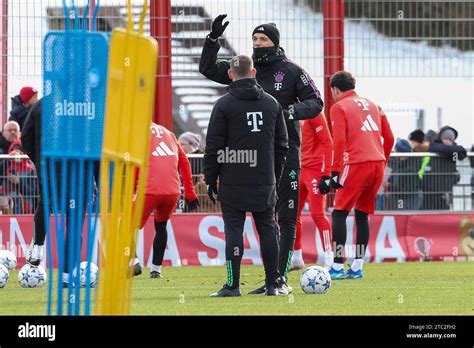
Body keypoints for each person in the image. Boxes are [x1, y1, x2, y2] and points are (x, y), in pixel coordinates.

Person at [200, 15, 323, 294]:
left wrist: (288, 112)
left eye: (263, 39)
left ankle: (278, 280)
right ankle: (269, 280)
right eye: (255, 39)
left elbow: (317, 101)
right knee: (265, 220)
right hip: (251, 161)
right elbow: (207, 67)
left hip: (285, 153)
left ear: (275, 43)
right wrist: (212, 40)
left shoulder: (291, 71)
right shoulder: (247, 69)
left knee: (287, 216)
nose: (258, 43)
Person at [204, 55, 288, 297]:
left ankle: (233, 285)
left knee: (233, 231)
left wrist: (211, 179)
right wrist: (274, 174)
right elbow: (282, 145)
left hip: (233, 178)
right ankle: (273, 284)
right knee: (269, 230)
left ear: (230, 74)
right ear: (253, 73)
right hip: (264, 179)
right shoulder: (272, 103)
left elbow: (214, 146)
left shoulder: (223, 105)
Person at [327, 71, 394, 280]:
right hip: (377, 163)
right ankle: (357, 267)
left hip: (355, 163)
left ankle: (337, 266)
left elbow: (338, 141)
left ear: (336, 90)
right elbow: (390, 138)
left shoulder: (338, 107)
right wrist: (384, 161)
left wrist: (335, 171)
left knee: (339, 213)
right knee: (362, 214)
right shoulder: (374, 105)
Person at [132, 123, 200, 278]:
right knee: (161, 226)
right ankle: (156, 270)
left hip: (149, 189)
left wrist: (133, 190)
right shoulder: (168, 133)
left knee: (126, 227)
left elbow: (135, 163)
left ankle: (133, 262)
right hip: (172, 191)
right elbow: (184, 162)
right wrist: (190, 193)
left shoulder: (137, 132)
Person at [291, 112, 333, 271]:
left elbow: (328, 142)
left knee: (317, 214)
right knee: (292, 213)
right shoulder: (293, 112)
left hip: (315, 170)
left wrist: (326, 174)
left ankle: (330, 258)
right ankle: (297, 258)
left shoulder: (313, 112)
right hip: (300, 169)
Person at [410, 127, 467, 210]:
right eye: (445, 138)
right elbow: (454, 151)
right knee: (427, 210)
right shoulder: (434, 145)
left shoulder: (442, 147)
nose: (447, 141)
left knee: (442, 212)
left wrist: (453, 150)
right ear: (441, 138)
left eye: (450, 140)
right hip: (430, 186)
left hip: (444, 187)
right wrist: (452, 150)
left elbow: (461, 154)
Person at [387, 139, 422, 210]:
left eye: (396, 151)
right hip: (402, 200)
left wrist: (389, 186)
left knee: (401, 218)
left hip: (406, 202)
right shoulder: (400, 165)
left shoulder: (410, 169)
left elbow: (405, 191)